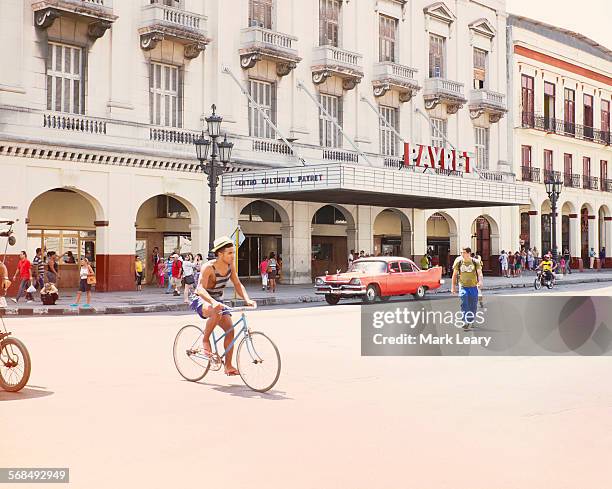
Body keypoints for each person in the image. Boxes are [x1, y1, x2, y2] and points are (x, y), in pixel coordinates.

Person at [190, 236, 255, 376]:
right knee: (217, 310)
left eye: (233, 252)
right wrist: (213, 302)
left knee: (230, 330)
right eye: (230, 253)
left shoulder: (231, 266)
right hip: (202, 299)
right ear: (220, 254)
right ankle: (205, 339)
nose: (233, 256)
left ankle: (229, 366)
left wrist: (247, 299)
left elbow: (237, 284)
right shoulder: (208, 267)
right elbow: (199, 289)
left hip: (217, 300)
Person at [451, 247, 483, 331]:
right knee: (464, 302)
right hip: (463, 286)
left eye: (464, 252)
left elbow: (479, 273)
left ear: (469, 253)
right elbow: (454, 275)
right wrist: (453, 287)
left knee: (473, 305)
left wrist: (480, 281)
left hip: (473, 287)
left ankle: (471, 320)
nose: (462, 254)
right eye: (461, 252)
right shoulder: (459, 262)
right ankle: (465, 321)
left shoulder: (475, 262)